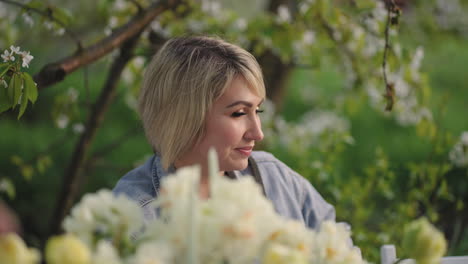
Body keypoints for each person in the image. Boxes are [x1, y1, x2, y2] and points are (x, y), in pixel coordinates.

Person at [113, 36, 335, 229]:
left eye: (257, 110)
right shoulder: (133, 215)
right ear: (184, 117)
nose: (258, 134)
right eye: (239, 113)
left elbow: (339, 250)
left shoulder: (276, 179)